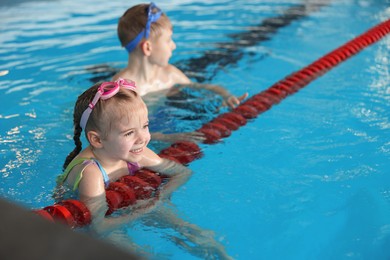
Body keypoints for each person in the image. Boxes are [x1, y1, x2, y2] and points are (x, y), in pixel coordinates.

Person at [55, 78, 232, 259]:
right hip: (93, 223)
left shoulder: (136, 152)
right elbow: (99, 227)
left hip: (128, 204)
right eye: (129, 133)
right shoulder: (91, 173)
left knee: (187, 229)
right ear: (97, 140)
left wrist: (160, 197)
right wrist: (144, 211)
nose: (143, 138)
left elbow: (182, 172)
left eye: (145, 126)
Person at [113, 2, 248, 143]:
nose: (173, 45)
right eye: (168, 40)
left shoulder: (169, 74)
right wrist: (165, 138)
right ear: (147, 47)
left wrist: (226, 96)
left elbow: (204, 88)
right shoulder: (121, 91)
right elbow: (121, 133)